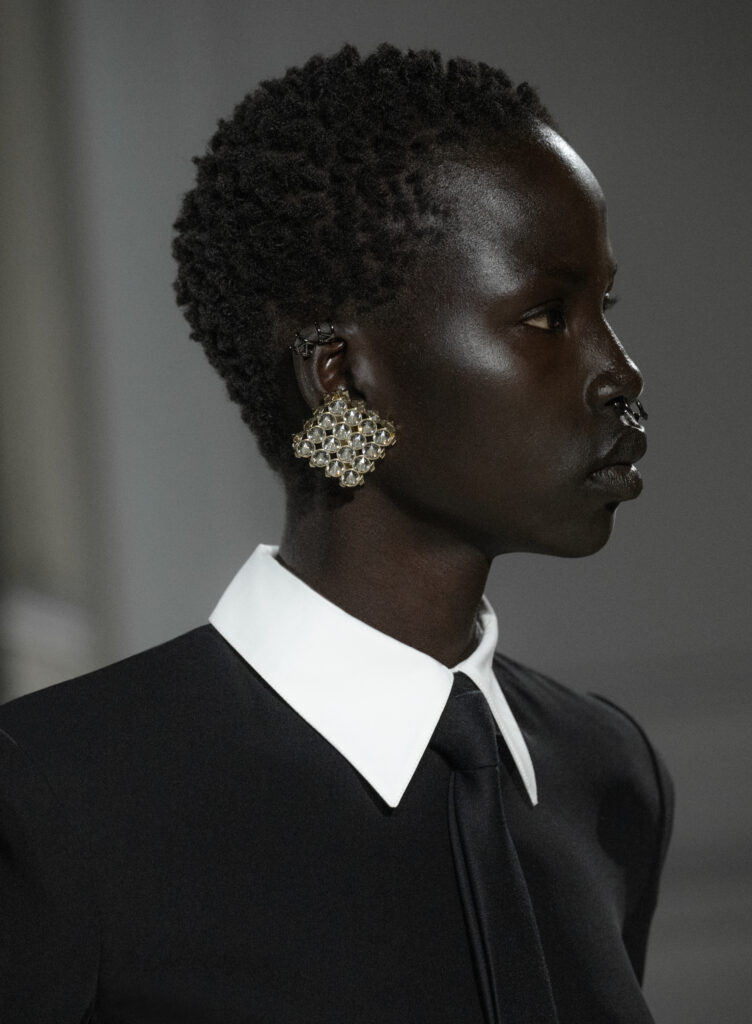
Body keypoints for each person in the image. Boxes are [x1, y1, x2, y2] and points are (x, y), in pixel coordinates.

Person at [0, 44, 672, 1023]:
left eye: (602, 308)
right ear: (344, 378)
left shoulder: (607, 775)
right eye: (544, 316)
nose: (621, 372)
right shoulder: (54, 802)